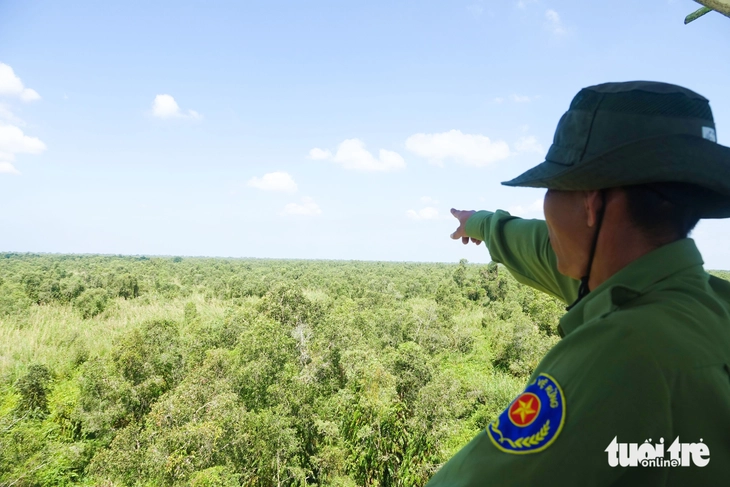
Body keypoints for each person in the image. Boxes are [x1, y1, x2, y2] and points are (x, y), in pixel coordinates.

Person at [427, 81, 730, 486]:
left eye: (554, 188)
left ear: (590, 201)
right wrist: (479, 223)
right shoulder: (706, 303)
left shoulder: (624, 351)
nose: (546, 208)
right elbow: (537, 244)